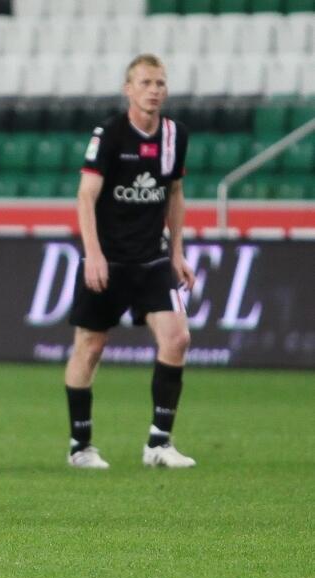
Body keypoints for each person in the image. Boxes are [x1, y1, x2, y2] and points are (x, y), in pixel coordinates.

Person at [64, 54, 196, 470]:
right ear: (128, 89)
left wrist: (176, 251)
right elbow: (86, 195)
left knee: (177, 339)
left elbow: (174, 194)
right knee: (90, 346)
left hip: (153, 258)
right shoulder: (110, 134)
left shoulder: (175, 135)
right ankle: (80, 445)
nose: (154, 89)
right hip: (109, 257)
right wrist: (94, 254)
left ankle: (159, 442)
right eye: (145, 82)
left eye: (160, 82)